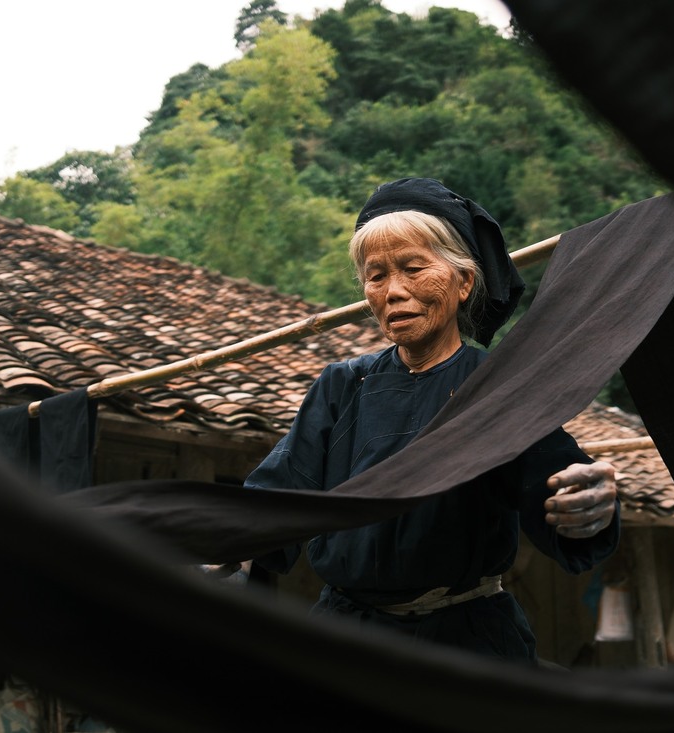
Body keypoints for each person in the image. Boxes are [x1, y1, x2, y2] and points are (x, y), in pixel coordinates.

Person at [235, 178, 619, 664]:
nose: (394, 291)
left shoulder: (499, 386)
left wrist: (589, 505)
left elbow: (560, 492)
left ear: (463, 283)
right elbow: (278, 493)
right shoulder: (341, 385)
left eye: (414, 268)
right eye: (376, 277)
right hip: (345, 637)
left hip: (468, 643)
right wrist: (226, 544)